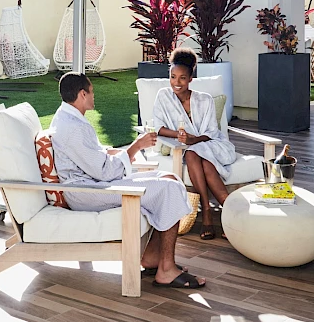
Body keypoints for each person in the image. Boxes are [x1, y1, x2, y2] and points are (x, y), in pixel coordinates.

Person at [49, 72, 206, 288]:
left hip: (94, 184)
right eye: (92, 92)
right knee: (167, 189)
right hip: (88, 192)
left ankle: (152, 257)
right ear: (82, 94)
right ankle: (166, 270)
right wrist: (136, 147)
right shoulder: (73, 128)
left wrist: (116, 152)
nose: (95, 96)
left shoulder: (68, 118)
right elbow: (104, 171)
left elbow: (92, 157)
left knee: (170, 177)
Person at [152, 47, 236, 240]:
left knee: (196, 154)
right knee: (195, 156)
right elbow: (157, 126)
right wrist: (180, 135)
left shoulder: (204, 100)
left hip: (212, 145)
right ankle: (231, 213)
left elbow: (211, 132)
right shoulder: (163, 96)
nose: (177, 83)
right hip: (185, 147)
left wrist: (193, 139)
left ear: (191, 78)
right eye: (173, 77)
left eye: (182, 78)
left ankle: (207, 212)